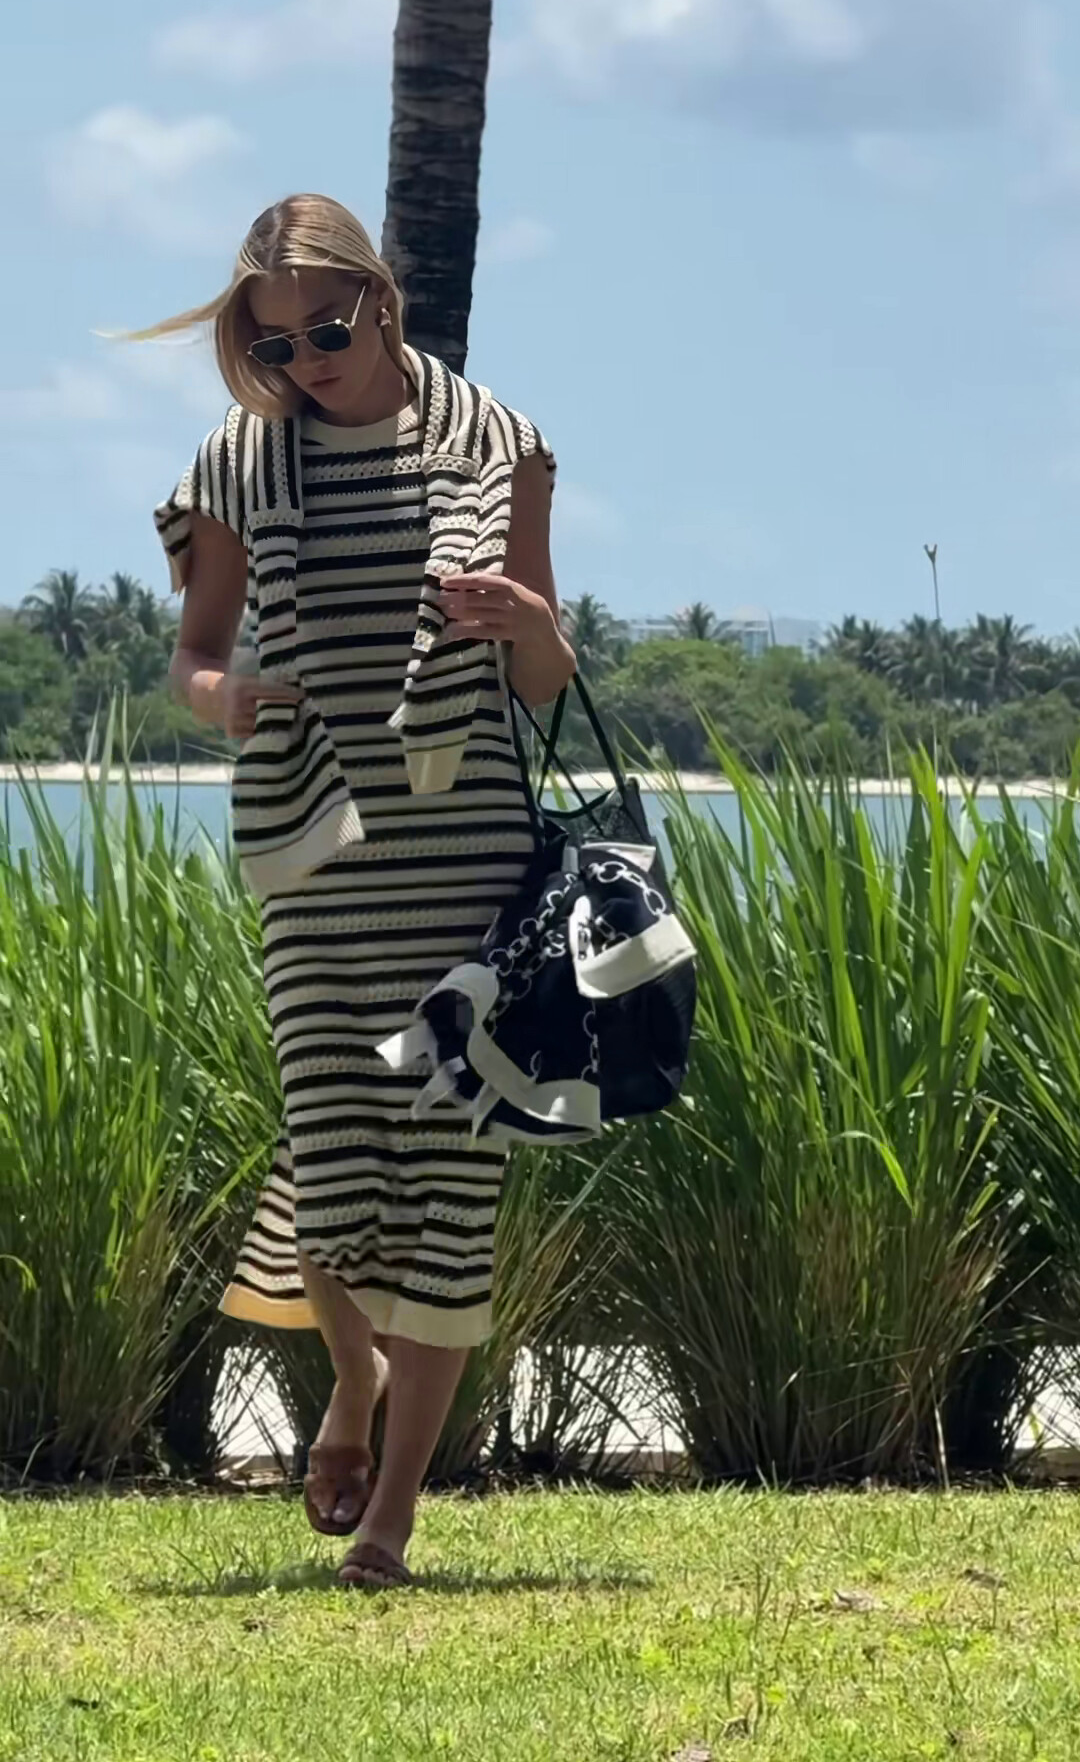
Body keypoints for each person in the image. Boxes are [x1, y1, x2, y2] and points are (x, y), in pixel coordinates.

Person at [139, 193, 575, 1588]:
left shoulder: (499, 445)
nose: (304, 364)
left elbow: (545, 681)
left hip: (467, 858)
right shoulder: (238, 462)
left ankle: (391, 1516)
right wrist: (224, 699)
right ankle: (350, 1376)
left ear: (379, 303)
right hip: (314, 862)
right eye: (273, 347)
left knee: (450, 1181)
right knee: (329, 1164)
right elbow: (195, 655)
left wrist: (527, 622)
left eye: (324, 333)